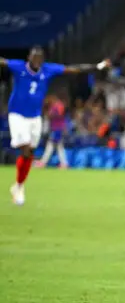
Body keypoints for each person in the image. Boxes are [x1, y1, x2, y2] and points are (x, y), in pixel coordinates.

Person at [0, 47, 109, 205]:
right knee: (25, 148)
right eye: (34, 58)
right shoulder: (19, 67)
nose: (37, 61)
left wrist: (97, 66)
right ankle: (19, 187)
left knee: (30, 152)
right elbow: (3, 62)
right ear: (28, 58)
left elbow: (74, 69)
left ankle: (18, 185)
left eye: (40, 58)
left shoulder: (48, 69)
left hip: (35, 117)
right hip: (17, 114)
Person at [36, 95, 69, 169]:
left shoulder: (58, 105)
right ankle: (64, 164)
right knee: (57, 147)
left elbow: (56, 114)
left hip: (57, 129)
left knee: (52, 146)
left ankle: (43, 162)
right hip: (56, 129)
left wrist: (49, 113)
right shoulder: (56, 105)